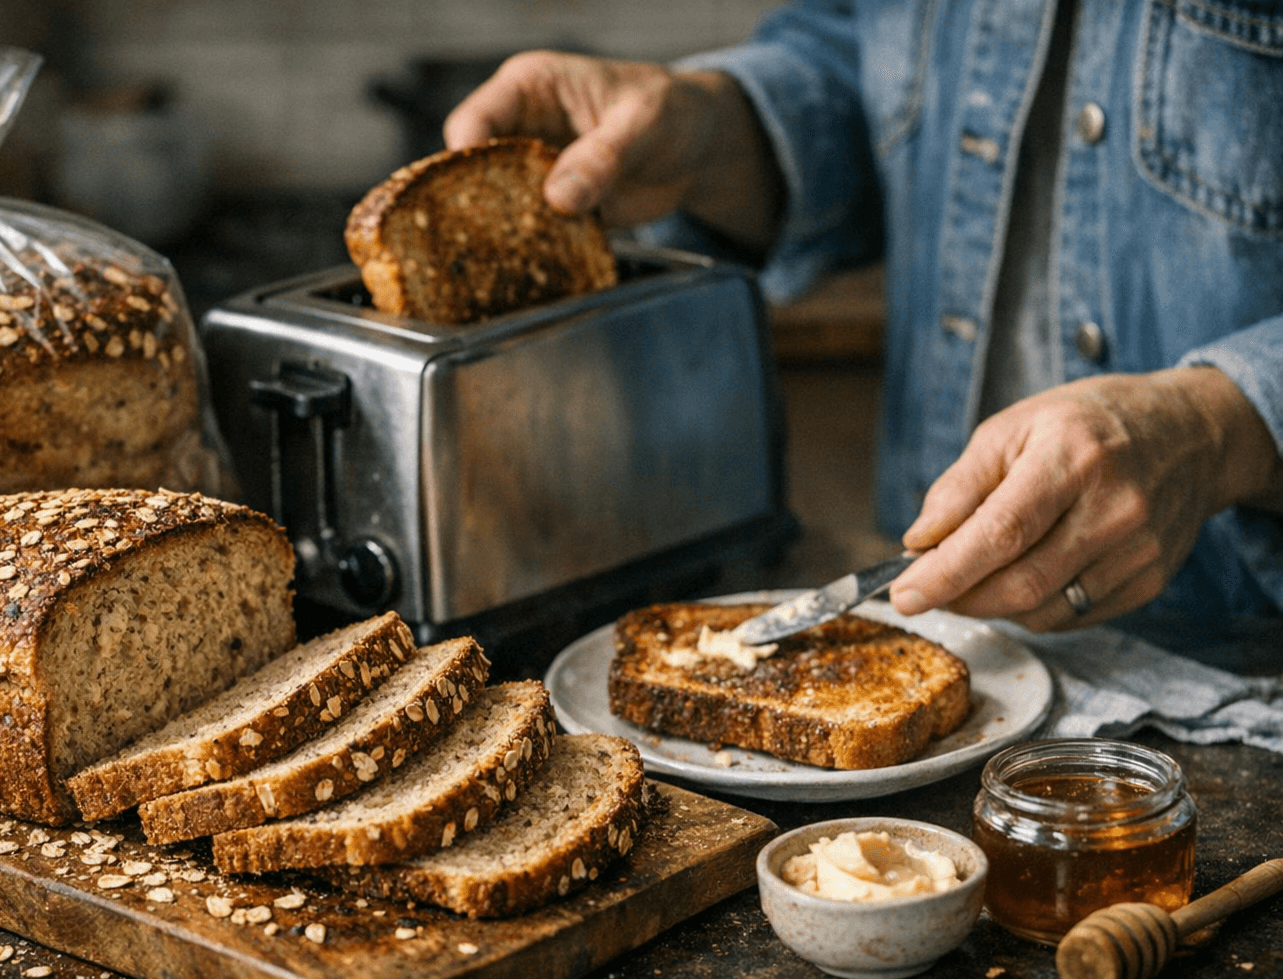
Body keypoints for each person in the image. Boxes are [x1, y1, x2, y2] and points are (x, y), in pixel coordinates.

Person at [443, 0, 1283, 672]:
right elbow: (863, 52)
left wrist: (1221, 427)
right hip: (936, 621)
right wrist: (717, 130)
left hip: (1249, 656)